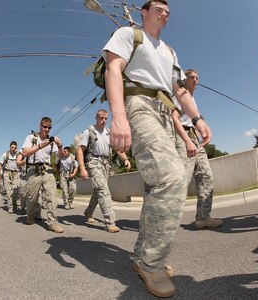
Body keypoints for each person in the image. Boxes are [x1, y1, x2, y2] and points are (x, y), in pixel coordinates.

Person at [103, 0, 211, 297]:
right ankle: (152, 263)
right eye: (159, 9)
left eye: (168, 12)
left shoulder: (170, 52)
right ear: (145, 12)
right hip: (138, 105)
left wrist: (198, 118)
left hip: (166, 113)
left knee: (157, 186)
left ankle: (142, 256)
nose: (165, 14)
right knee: (172, 177)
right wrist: (119, 117)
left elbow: (179, 91)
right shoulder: (129, 34)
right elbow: (114, 68)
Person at [173, 69, 222, 229]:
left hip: (194, 138)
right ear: (184, 80)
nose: (195, 80)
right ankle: (160, 220)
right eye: (191, 77)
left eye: (197, 78)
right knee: (182, 180)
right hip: (182, 137)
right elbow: (173, 118)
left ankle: (203, 217)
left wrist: (201, 132)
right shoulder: (179, 94)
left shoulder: (192, 100)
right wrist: (187, 140)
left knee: (206, 176)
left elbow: (195, 119)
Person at [76, 109, 131, 233]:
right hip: (93, 163)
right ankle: (110, 222)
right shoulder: (88, 131)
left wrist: (125, 159)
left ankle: (88, 212)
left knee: (98, 191)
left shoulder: (108, 133)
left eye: (106, 118)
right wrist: (83, 168)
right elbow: (80, 150)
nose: (104, 120)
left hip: (106, 164)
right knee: (103, 190)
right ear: (96, 118)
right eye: (101, 118)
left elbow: (117, 149)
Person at [20, 117, 64, 233]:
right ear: (40, 125)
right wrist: (40, 146)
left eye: (49, 127)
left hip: (47, 170)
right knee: (31, 198)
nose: (47, 129)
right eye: (45, 126)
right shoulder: (31, 138)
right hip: (33, 171)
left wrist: (60, 146)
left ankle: (52, 223)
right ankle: (30, 215)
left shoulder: (51, 141)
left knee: (52, 196)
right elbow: (24, 152)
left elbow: (60, 156)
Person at [0, 141, 20, 214]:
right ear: (9, 147)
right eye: (12, 147)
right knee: (8, 191)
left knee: (15, 191)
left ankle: (15, 205)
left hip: (16, 174)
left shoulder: (18, 155)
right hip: (7, 173)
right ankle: (10, 207)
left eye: (15, 148)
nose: (13, 149)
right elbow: (0, 164)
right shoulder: (5, 155)